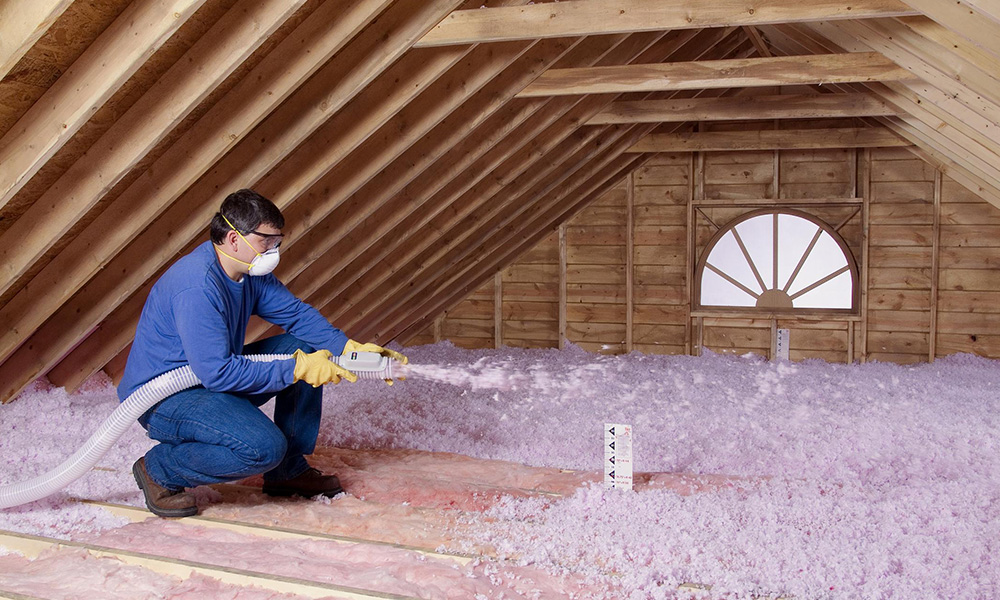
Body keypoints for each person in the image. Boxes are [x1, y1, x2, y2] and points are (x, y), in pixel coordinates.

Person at [117, 189, 406, 517]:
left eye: (277, 241)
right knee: (263, 448)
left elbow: (295, 315)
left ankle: (288, 471)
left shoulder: (247, 272)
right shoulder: (197, 287)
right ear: (233, 238)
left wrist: (348, 349)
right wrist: (296, 369)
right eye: (266, 241)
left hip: (209, 383)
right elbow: (218, 372)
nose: (273, 250)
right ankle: (160, 469)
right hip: (166, 400)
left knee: (305, 345)